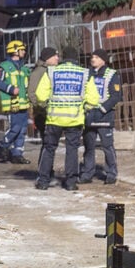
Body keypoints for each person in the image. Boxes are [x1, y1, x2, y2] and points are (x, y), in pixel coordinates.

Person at [34, 46, 100, 191]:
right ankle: (70, 182)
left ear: (63, 57)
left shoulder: (51, 72)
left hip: (54, 118)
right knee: (72, 149)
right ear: (76, 58)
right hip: (75, 119)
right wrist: (85, 107)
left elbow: (40, 95)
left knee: (49, 149)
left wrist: (47, 104)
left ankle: (43, 181)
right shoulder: (85, 73)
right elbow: (94, 99)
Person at [81, 49, 123, 185]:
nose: (93, 59)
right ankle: (87, 173)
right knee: (89, 146)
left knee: (107, 146)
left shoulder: (112, 74)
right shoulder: (86, 73)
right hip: (89, 115)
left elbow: (116, 96)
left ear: (103, 60)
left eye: (97, 57)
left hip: (104, 116)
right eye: (92, 57)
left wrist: (102, 109)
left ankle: (111, 173)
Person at [0, 40, 31, 164]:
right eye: (22, 49)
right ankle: (4, 146)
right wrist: (10, 89)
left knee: (22, 130)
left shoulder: (24, 68)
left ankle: (17, 154)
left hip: (23, 104)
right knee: (15, 128)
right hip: (12, 104)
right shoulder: (4, 67)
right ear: (15, 51)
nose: (24, 52)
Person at [28, 47, 59, 171]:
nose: (57, 58)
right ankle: (44, 170)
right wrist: (40, 106)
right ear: (47, 58)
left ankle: (47, 169)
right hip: (42, 113)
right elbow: (31, 92)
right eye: (55, 56)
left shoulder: (51, 70)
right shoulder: (39, 72)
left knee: (50, 143)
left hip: (51, 111)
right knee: (47, 143)